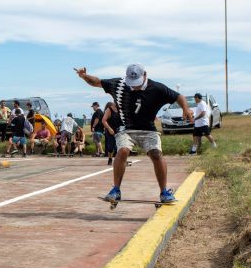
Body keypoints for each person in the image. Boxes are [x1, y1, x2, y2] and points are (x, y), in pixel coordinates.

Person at [75, 64, 193, 203]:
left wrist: (186, 108)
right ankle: (116, 190)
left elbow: (178, 96)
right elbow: (97, 82)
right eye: (132, 84)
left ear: (145, 75)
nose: (134, 87)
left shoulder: (157, 88)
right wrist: (84, 77)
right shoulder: (118, 84)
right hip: (127, 129)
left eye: (137, 83)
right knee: (123, 151)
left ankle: (164, 192)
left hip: (148, 129)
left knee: (156, 154)